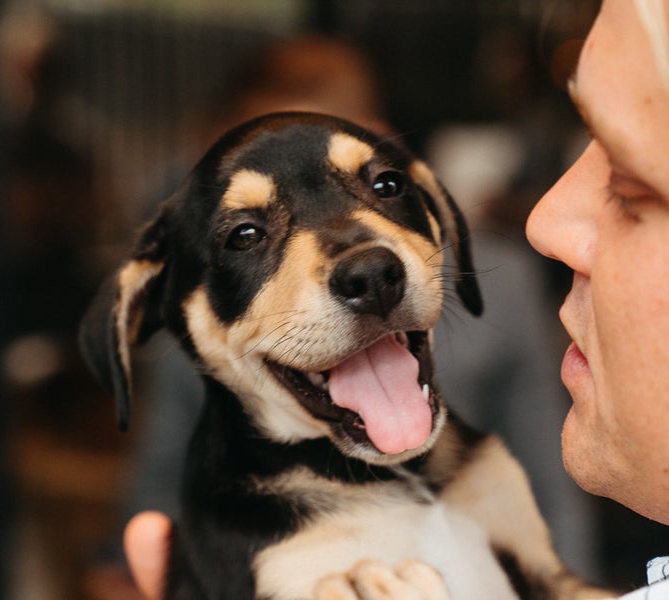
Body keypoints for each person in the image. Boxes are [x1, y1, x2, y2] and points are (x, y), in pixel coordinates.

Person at [123, 0, 669, 596]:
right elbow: (160, 495)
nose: (545, 221)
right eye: (246, 233)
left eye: (380, 185)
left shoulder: (500, 281)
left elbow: (553, 506)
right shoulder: (209, 336)